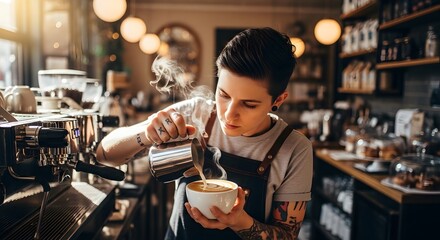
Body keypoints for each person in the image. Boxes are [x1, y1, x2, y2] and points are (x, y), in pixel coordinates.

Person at [96, 27, 313, 240]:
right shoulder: (195, 114)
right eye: (224, 94)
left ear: (278, 100)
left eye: (248, 104)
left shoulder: (294, 148)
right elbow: (104, 155)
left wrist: (240, 222)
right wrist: (146, 133)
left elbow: (287, 235)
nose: (229, 114)